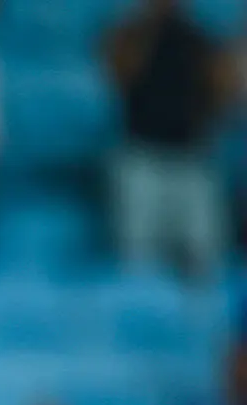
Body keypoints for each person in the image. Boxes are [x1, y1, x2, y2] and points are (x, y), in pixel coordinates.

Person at [102, 0, 233, 279]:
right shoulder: (131, 35)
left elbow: (224, 95)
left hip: (192, 158)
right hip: (142, 157)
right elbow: (116, 74)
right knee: (137, 256)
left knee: (205, 258)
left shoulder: (202, 40)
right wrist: (145, 29)